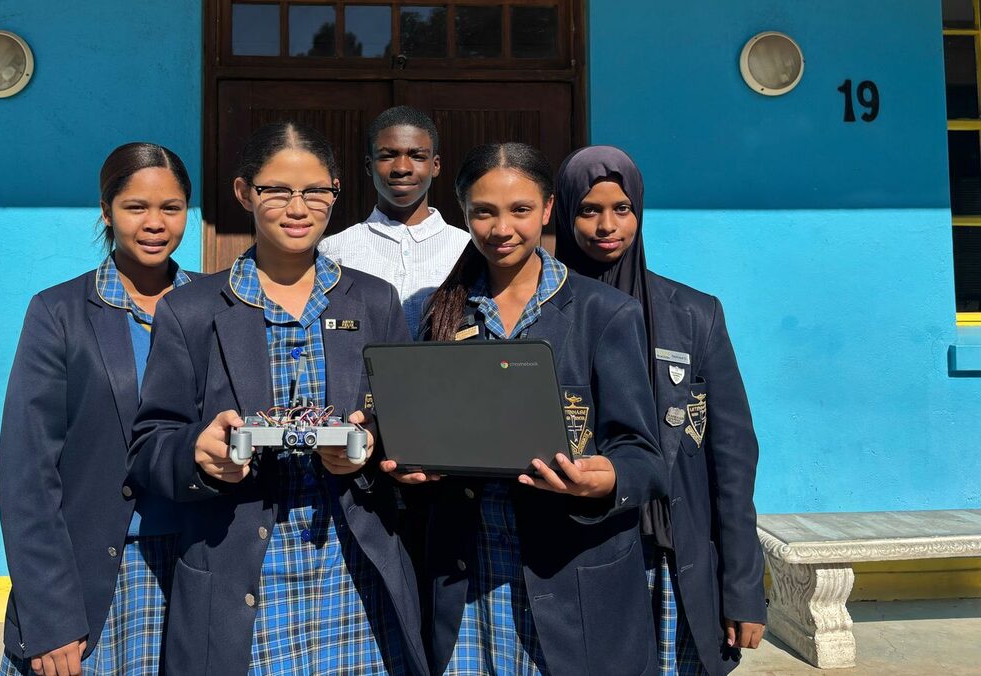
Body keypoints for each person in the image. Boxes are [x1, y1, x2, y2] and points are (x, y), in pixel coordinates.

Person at [127, 121, 429, 675]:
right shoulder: (191, 310)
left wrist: (368, 447)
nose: (298, 207)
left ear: (337, 193)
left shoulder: (374, 301)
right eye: (277, 190)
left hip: (354, 574)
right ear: (245, 193)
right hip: (240, 574)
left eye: (316, 190)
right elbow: (151, 444)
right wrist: (201, 453)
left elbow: (406, 427)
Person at [395, 141, 665, 676]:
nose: (502, 229)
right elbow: (408, 430)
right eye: (484, 211)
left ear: (547, 211)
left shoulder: (605, 313)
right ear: (464, 214)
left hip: (572, 586)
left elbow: (644, 456)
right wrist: (405, 466)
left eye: (520, 210)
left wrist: (605, 480)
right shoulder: (430, 312)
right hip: (465, 582)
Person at [553, 145, 766, 676]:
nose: (607, 226)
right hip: (575, 560)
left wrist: (742, 587)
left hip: (672, 558)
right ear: (563, 213)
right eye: (589, 210)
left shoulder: (693, 315)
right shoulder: (542, 314)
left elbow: (733, 458)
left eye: (621, 209)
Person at [0, 143, 195, 676]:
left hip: (198, 577)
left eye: (171, 208)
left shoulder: (214, 306)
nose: (155, 223)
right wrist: (50, 615)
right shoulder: (59, 313)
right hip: (92, 583)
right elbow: (27, 475)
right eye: (136, 207)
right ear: (106, 212)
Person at [320, 105, 469, 337]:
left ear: (435, 165)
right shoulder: (335, 250)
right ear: (369, 166)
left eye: (417, 156)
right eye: (388, 155)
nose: (402, 168)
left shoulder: (466, 248)